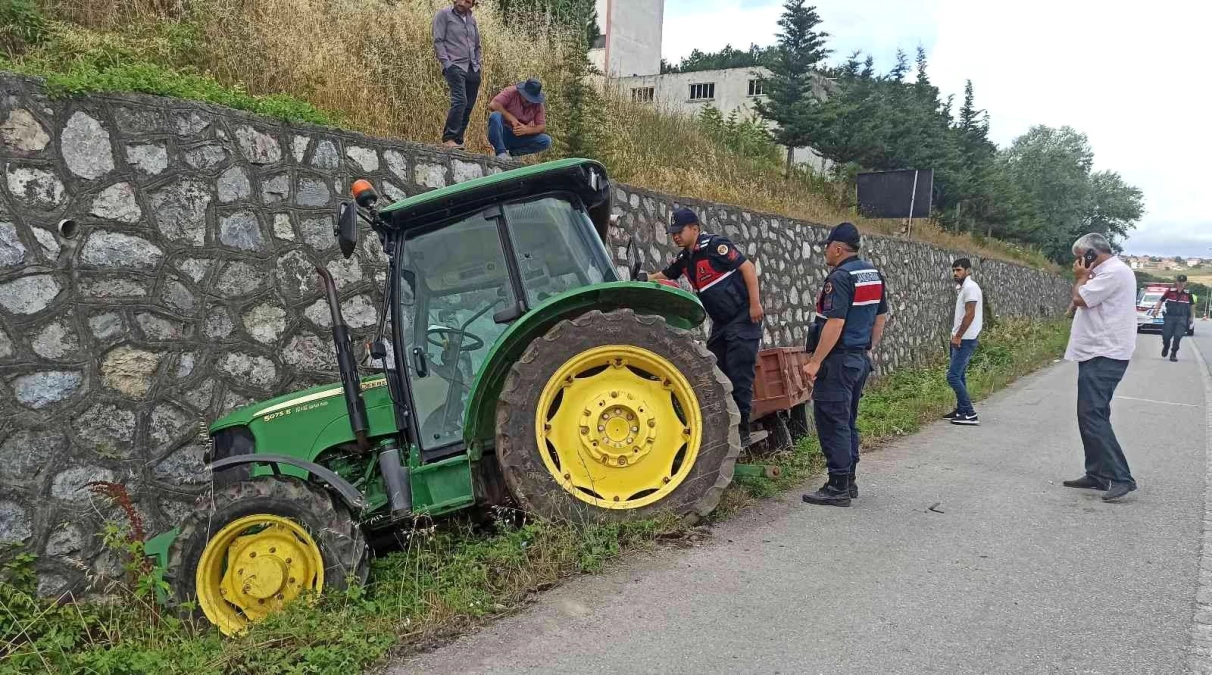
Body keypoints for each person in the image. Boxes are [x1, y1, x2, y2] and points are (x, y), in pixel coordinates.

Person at [649, 207, 763, 442]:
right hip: (721, 323)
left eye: (679, 231)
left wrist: (755, 304)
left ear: (694, 229)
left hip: (742, 318)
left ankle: (742, 433)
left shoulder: (715, 246)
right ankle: (720, 428)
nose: (676, 236)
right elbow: (666, 274)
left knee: (739, 374)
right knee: (713, 372)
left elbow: (747, 267)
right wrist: (644, 278)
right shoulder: (685, 259)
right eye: (673, 233)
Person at [801, 222, 888, 507]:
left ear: (838, 248)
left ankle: (837, 486)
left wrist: (815, 362)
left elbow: (835, 322)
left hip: (838, 362)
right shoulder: (872, 274)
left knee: (832, 421)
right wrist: (867, 347)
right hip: (858, 360)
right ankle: (848, 481)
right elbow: (880, 318)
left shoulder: (839, 278)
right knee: (847, 421)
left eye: (827, 246)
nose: (825, 251)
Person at [1062, 233, 1138, 502]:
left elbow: (1080, 299)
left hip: (1104, 354)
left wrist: (1081, 278)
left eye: (1081, 257)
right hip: (1097, 353)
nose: (1078, 263)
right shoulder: (1106, 273)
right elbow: (1075, 306)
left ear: (1091, 254)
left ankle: (1121, 477)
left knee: (1092, 416)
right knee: (1091, 416)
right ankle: (1096, 474)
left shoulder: (1114, 273)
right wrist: (1085, 279)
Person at [432, 0, 482, 149]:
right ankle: (449, 138)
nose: (462, 2)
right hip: (455, 65)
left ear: (472, 4)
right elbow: (438, 40)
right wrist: (447, 64)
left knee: (468, 106)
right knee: (460, 100)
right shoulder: (444, 15)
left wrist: (478, 64)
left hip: (472, 68)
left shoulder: (472, 20)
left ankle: (458, 140)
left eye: (467, 1)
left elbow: (477, 45)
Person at [945, 258, 983, 426]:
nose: (955, 273)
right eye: (954, 270)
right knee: (959, 375)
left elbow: (970, 314)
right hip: (960, 337)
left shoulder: (971, 288)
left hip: (965, 338)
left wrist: (958, 336)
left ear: (968, 271)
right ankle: (961, 409)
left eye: (959, 270)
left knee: (952, 376)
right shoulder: (964, 288)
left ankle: (970, 413)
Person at [487, 79, 552, 160]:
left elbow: (541, 127)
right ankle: (501, 152)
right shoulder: (511, 92)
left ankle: (513, 154)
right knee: (495, 116)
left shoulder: (538, 105)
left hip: (519, 137)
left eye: (531, 100)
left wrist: (526, 130)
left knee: (546, 140)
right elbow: (493, 105)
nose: (528, 102)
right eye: (527, 99)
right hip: (502, 132)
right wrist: (512, 119)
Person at [1152, 274, 1193, 362]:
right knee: (1166, 336)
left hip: (1182, 318)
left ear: (1185, 282)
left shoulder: (1188, 293)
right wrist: (1156, 310)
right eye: (1179, 281)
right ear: (1176, 281)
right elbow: (1161, 300)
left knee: (1178, 336)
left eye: (1183, 282)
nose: (1181, 283)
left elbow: (1192, 305)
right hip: (1170, 317)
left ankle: (1173, 353)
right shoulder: (1170, 291)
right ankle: (1166, 346)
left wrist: (1191, 317)